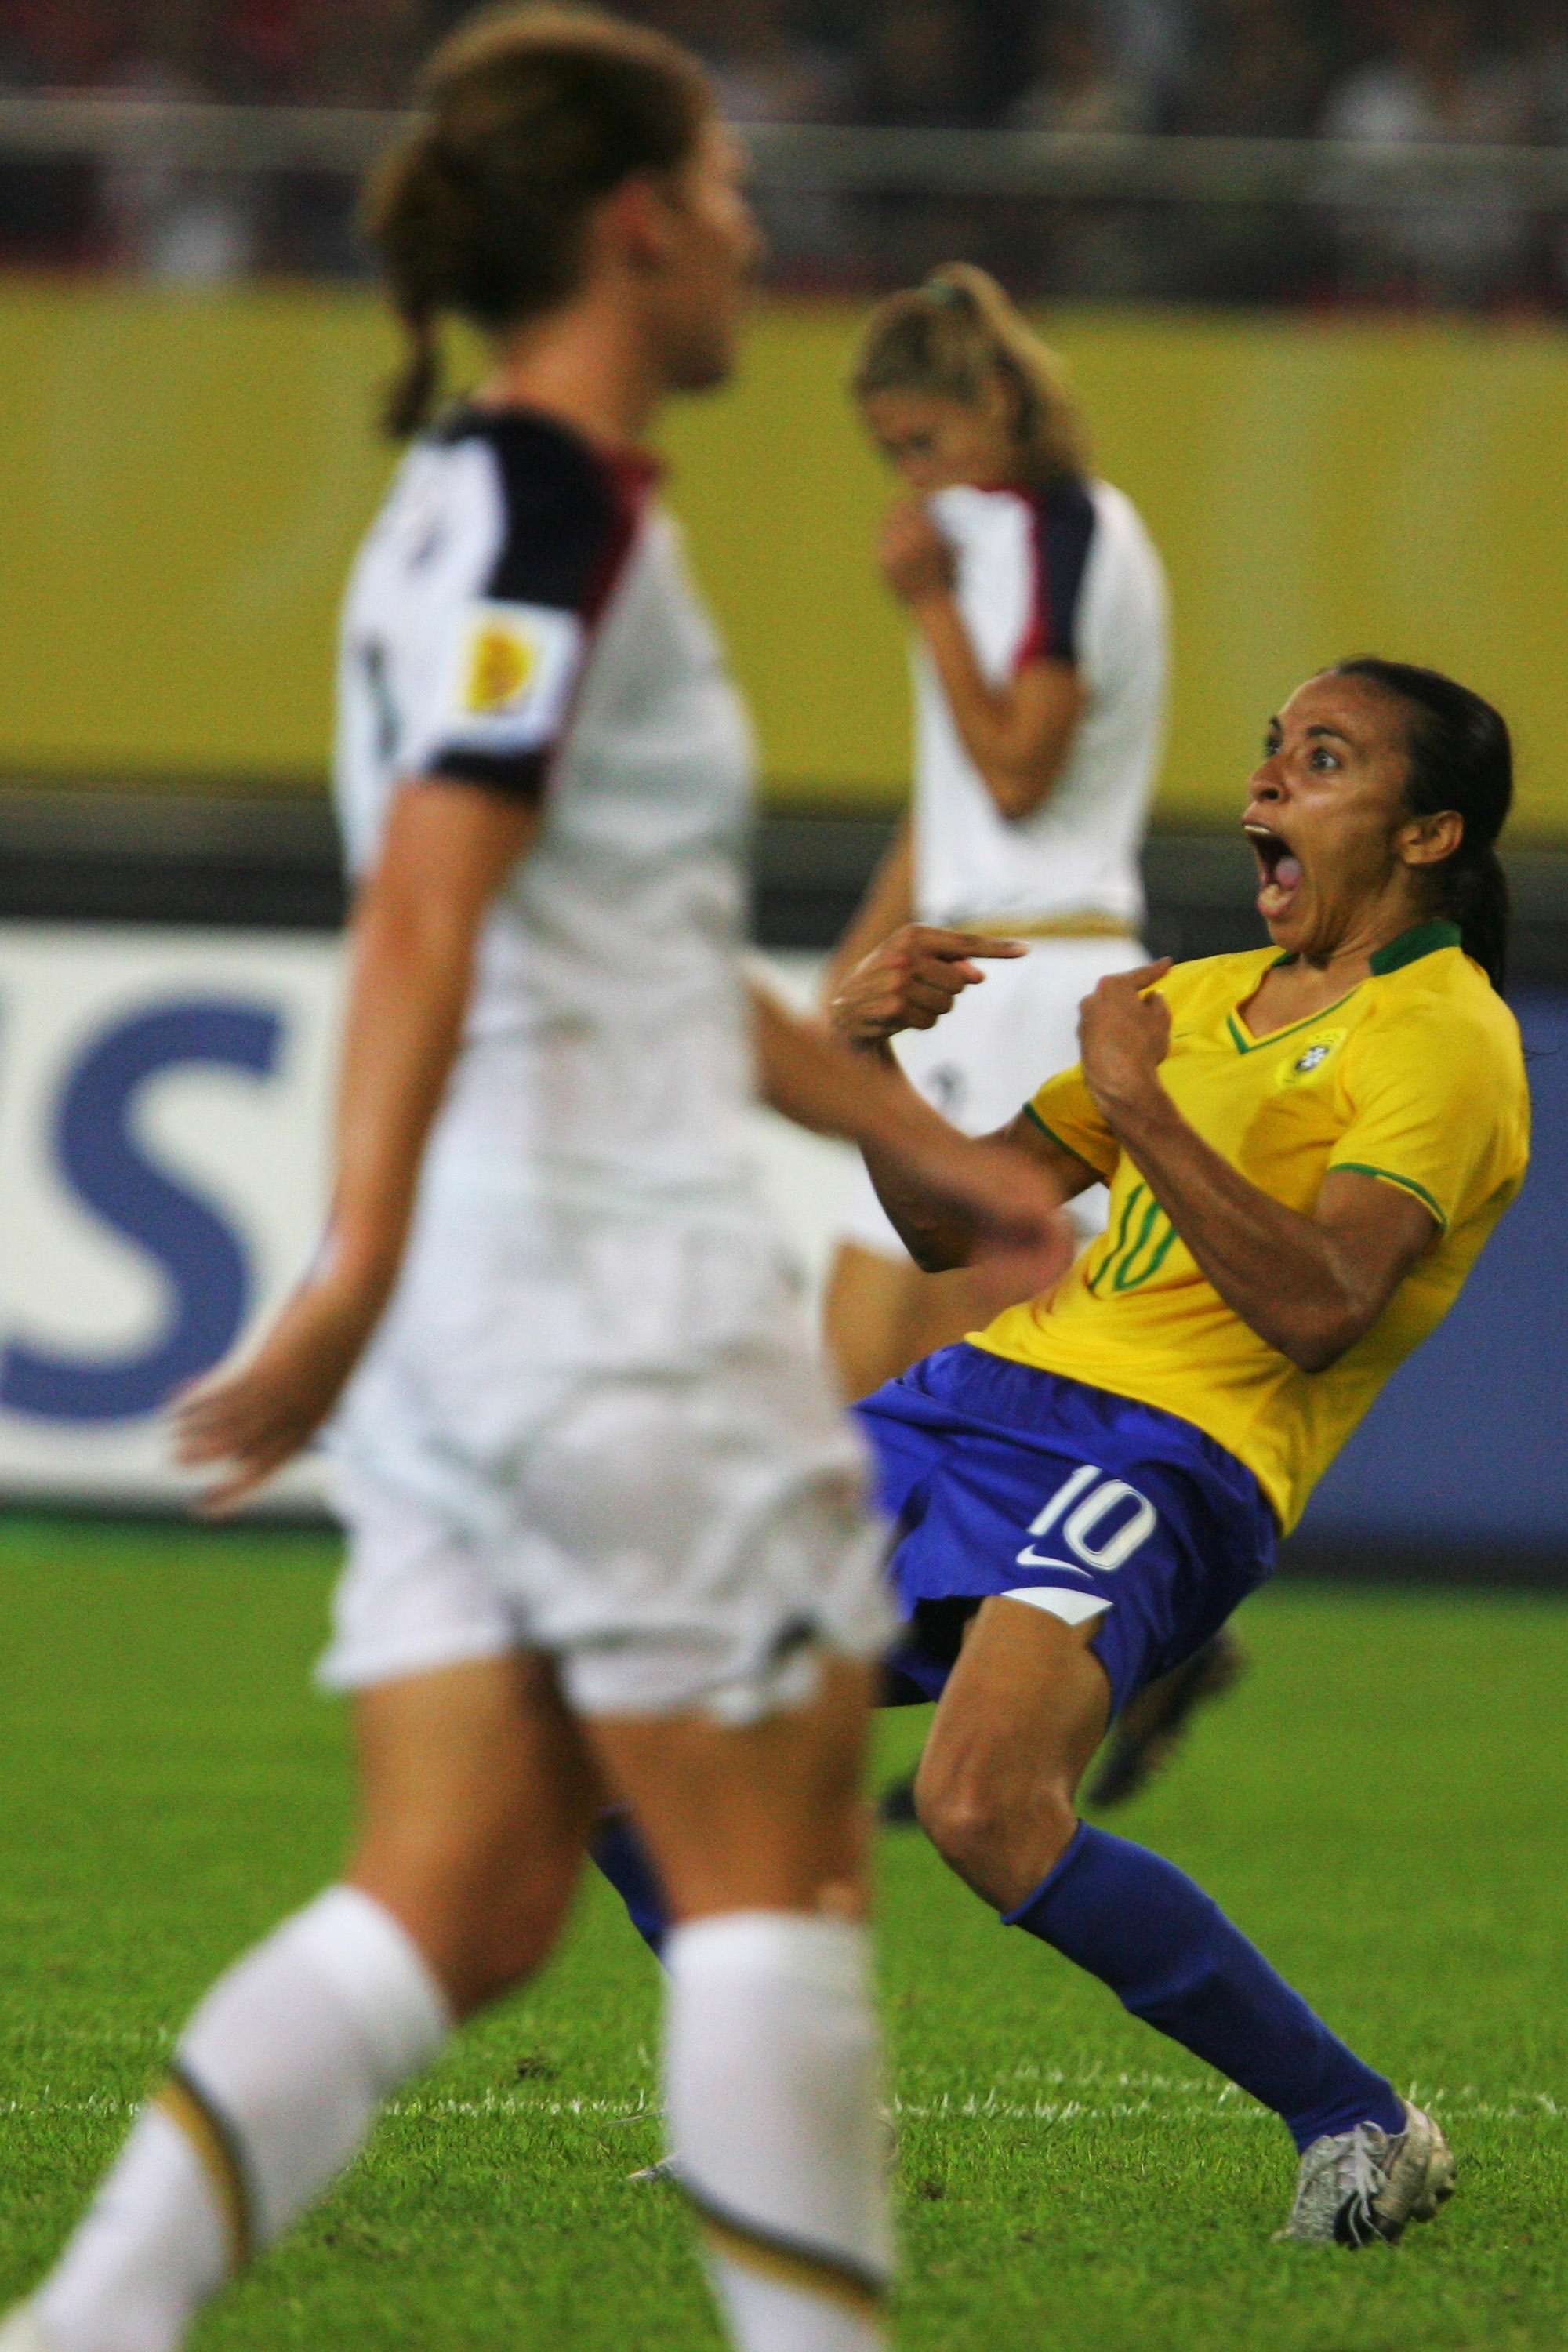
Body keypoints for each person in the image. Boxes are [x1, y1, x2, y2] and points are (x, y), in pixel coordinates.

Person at [0, 16, 1069, 2352]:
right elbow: (429, 909)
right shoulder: (549, 508)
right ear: (636, 224)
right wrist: (350, 1262)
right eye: (728, 185)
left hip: (506, 1305)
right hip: (609, 1294)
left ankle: (80, 2331)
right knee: (775, 1865)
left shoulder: (474, 510)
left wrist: (914, 1141)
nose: (759, 230)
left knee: (463, 1905)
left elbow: (625, 950)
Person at [608, 657, 1530, 2250]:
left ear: (1431, 831)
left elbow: (1321, 1306)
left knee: (981, 1806)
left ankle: (1360, 2122)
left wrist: (1145, 1113)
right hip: (976, 1401)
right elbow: (953, 1222)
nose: (1265, 787)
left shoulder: (1445, 1042)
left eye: (1321, 759)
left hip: (1175, 1455)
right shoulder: (1191, 999)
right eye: (1268, 753)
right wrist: (866, 1061)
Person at [822, 264, 1167, 1406]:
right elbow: (954, 802)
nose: (915, 481)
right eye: (895, 456)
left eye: (925, 442)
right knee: (859, 1371)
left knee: (978, 1380)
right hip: (952, 972)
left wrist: (924, 602)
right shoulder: (995, 538)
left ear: (1000, 407)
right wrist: (857, 960)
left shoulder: (1064, 531)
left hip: (1034, 975)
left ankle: (999, 1593)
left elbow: (1016, 772)